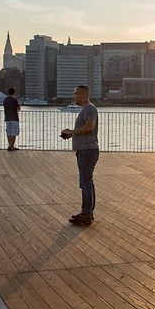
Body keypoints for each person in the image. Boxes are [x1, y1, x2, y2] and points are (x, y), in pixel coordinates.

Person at [61, 85, 98, 226]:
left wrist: (72, 131)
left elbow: (89, 127)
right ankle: (88, 213)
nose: (74, 96)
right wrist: (71, 134)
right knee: (88, 182)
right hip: (85, 149)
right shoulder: (86, 109)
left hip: (87, 150)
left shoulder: (89, 108)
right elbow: (86, 128)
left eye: (75, 93)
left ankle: (86, 214)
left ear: (82, 94)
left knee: (85, 183)